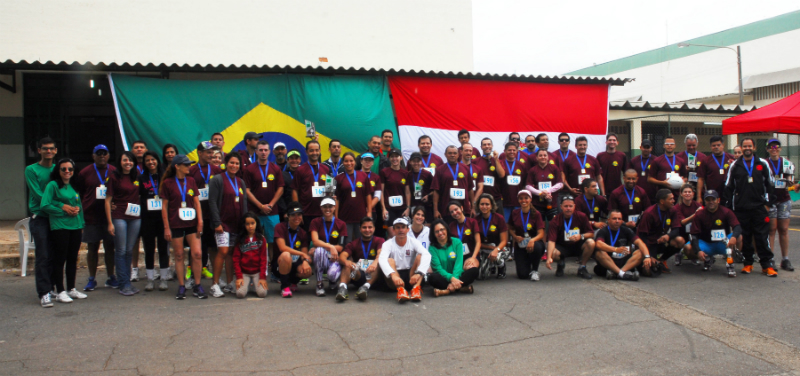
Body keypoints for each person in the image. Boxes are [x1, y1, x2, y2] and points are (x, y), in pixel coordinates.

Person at [724, 137, 778, 277]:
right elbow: (728, 187)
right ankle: (748, 264)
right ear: (741, 148)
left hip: (759, 207)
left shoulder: (762, 163)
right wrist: (730, 207)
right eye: (745, 146)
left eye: (750, 146)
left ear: (754, 147)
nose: (747, 148)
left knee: (761, 236)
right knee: (746, 237)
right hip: (741, 208)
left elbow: (770, 185)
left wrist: (768, 205)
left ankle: (766, 265)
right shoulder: (735, 165)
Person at [41, 158, 87, 303]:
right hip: (60, 226)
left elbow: (78, 204)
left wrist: (80, 220)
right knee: (60, 258)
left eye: (70, 169)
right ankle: (60, 290)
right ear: (58, 170)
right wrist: (63, 209)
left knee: (73, 258)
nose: (67, 171)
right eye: (63, 169)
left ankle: (71, 288)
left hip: (75, 225)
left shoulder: (74, 185)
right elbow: (45, 205)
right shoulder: (53, 185)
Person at [160, 154, 207, 299]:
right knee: (179, 255)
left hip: (192, 223)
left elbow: (197, 203)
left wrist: (200, 221)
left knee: (197, 254)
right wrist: (166, 227)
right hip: (176, 224)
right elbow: (164, 207)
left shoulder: (191, 180)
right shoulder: (168, 183)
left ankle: (197, 285)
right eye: (186, 165)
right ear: (177, 166)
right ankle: (181, 286)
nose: (189, 167)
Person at [75, 144, 117, 290]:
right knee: (92, 247)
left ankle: (111, 276)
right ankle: (92, 278)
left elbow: (118, 191)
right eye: (98, 154)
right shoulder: (85, 172)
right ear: (93, 156)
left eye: (104, 153)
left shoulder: (114, 171)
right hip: (91, 216)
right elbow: (79, 192)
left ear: (108, 155)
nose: (102, 156)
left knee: (110, 247)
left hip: (109, 217)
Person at [208, 153, 248, 297]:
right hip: (222, 224)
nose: (234, 166)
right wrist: (217, 222)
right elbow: (212, 202)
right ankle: (215, 284)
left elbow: (244, 204)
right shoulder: (217, 180)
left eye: (237, 163)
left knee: (231, 253)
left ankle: (230, 282)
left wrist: (244, 223)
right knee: (223, 251)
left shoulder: (240, 181)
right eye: (232, 163)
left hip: (236, 224)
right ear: (226, 163)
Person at [243, 140, 284, 280]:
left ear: (269, 152)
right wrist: (260, 206)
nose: (263, 152)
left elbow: (280, 188)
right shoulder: (249, 169)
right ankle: (255, 272)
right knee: (254, 243)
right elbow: (246, 190)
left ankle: (274, 271)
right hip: (255, 213)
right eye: (260, 150)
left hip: (272, 213)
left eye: (266, 150)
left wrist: (271, 205)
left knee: (273, 243)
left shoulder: (275, 168)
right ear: (257, 151)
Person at [25, 137, 57, 307]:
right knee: (43, 255)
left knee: (54, 255)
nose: (48, 151)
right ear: (39, 150)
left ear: (56, 150)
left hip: (57, 218)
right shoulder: (31, 169)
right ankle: (44, 292)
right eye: (45, 149)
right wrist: (59, 207)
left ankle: (52, 287)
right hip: (40, 218)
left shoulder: (58, 169)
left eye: (51, 148)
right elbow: (38, 195)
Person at [105, 151, 142, 296]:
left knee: (129, 250)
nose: (128, 163)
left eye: (130, 160)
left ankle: (127, 282)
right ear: (120, 162)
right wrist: (109, 222)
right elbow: (107, 200)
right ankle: (123, 284)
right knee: (120, 250)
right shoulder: (114, 177)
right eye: (125, 160)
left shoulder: (136, 176)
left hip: (135, 217)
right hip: (119, 216)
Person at [188, 141, 223, 281]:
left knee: (214, 247)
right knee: (196, 248)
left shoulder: (216, 170)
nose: (210, 155)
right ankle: (192, 276)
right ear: (200, 153)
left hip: (212, 215)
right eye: (208, 152)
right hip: (197, 215)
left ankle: (216, 276)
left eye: (212, 152)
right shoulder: (191, 171)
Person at [687, 190, 742, 277]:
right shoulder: (700, 214)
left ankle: (731, 261)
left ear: (718, 200)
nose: (711, 202)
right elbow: (693, 234)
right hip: (706, 243)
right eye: (708, 200)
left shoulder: (726, 211)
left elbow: (737, 226)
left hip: (723, 243)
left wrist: (734, 237)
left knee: (739, 237)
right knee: (688, 248)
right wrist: (698, 251)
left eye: (713, 199)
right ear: (705, 201)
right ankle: (707, 259)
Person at [377, 217, 431, 303]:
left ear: (408, 229)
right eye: (398, 227)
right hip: (395, 278)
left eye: (403, 227)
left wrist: (419, 273)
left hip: (411, 276)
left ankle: (416, 289)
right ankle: (401, 291)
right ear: (393, 230)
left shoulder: (414, 242)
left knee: (420, 256)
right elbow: (382, 260)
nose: (401, 230)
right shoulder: (387, 244)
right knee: (389, 260)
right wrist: (393, 275)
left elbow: (427, 255)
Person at [138, 151, 170, 291]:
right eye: (148, 160)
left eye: (153, 160)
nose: (151, 162)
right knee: (149, 249)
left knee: (163, 248)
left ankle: (163, 278)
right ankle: (150, 279)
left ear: (157, 161)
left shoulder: (165, 176)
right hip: (147, 218)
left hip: (163, 217)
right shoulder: (141, 177)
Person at [637, 189, 686, 275]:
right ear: (662, 201)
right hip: (649, 243)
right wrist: (649, 256)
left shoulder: (672, 210)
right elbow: (642, 236)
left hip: (661, 241)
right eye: (670, 199)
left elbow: (676, 230)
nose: (673, 201)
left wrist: (668, 236)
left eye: (673, 198)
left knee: (680, 241)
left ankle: (662, 260)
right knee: (649, 272)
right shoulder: (649, 213)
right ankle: (653, 260)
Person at [764, 138, 796, 272]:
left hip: (784, 199)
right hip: (770, 200)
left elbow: (791, 181)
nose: (774, 148)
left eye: (776, 146)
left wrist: (791, 184)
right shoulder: (764, 163)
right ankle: (770, 259)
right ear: (767, 149)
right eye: (771, 147)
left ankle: (785, 259)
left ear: (780, 149)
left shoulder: (788, 163)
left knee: (783, 229)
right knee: (771, 229)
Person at [546, 196, 595, 279]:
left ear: (574, 206)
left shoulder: (582, 216)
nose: (568, 208)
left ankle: (582, 267)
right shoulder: (555, 220)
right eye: (565, 206)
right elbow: (551, 241)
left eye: (570, 206)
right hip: (563, 246)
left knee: (591, 243)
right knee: (553, 253)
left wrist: (581, 236)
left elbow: (591, 234)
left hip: (578, 245)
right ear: (561, 207)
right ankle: (560, 263)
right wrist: (549, 258)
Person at [336, 217, 385, 301]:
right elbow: (342, 256)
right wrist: (346, 261)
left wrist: (375, 263)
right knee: (347, 264)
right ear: (360, 229)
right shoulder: (353, 243)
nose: (367, 230)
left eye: (370, 227)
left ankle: (365, 288)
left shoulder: (379, 240)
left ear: (374, 228)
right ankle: (342, 289)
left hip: (374, 275)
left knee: (379, 262)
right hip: (359, 275)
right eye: (364, 227)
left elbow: (380, 254)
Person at [593, 210, 649, 281]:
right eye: (614, 218)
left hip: (624, 261)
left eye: (619, 219)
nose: (617, 221)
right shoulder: (603, 231)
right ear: (608, 220)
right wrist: (615, 249)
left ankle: (619, 273)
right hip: (609, 261)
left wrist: (647, 256)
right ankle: (622, 274)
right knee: (599, 253)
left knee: (641, 252)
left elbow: (640, 243)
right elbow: (598, 244)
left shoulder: (626, 230)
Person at [428, 219, 478, 297]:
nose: (440, 233)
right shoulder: (432, 248)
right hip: (443, 277)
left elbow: (459, 263)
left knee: (474, 270)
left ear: (446, 229)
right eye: (437, 231)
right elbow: (438, 268)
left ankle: (447, 290)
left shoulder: (457, 242)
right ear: (433, 234)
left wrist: (454, 278)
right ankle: (460, 288)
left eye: (442, 229)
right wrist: (451, 279)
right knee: (432, 278)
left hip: (458, 275)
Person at [310, 198, 348, 296]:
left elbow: (340, 247)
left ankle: (333, 281)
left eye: (330, 206)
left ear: (334, 208)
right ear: (321, 208)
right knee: (318, 251)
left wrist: (330, 248)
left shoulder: (341, 224)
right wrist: (331, 247)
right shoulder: (315, 222)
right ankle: (319, 284)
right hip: (322, 254)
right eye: (325, 207)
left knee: (332, 275)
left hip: (335, 257)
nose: (328, 209)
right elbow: (315, 241)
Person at [335, 152, 375, 243]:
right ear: (343, 163)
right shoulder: (338, 178)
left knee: (360, 241)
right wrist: (336, 217)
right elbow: (337, 199)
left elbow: (368, 195)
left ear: (355, 162)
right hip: (345, 217)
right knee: (347, 242)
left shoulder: (363, 176)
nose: (349, 163)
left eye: (351, 161)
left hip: (361, 216)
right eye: (346, 161)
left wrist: (369, 212)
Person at [274, 203, 313, 297]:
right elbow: (282, 248)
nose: (296, 217)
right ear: (287, 216)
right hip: (280, 263)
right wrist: (301, 254)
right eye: (293, 215)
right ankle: (285, 287)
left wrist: (305, 262)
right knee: (286, 254)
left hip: (295, 262)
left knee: (308, 270)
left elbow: (305, 253)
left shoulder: (303, 233)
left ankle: (293, 282)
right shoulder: (279, 227)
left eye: (299, 215)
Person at [292, 140, 331, 231]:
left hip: (323, 211)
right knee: (307, 239)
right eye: (311, 150)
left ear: (320, 151)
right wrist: (298, 211)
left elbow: (329, 189)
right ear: (306, 152)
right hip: (306, 212)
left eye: (317, 150)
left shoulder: (326, 169)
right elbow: (294, 190)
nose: (314, 153)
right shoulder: (300, 170)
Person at [509, 190, 546, 281]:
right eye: (521, 198)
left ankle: (535, 270)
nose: (524, 200)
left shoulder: (536, 214)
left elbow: (541, 233)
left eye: (526, 198)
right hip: (520, 245)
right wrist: (515, 236)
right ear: (518, 200)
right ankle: (527, 262)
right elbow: (509, 228)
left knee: (536, 246)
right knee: (522, 275)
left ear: (530, 199)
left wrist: (532, 240)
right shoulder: (514, 213)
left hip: (535, 243)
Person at [432, 145, 474, 223]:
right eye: (450, 153)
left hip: (464, 208)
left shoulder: (466, 168)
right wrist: (436, 210)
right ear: (445, 154)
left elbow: (470, 189)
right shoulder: (439, 170)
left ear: (458, 154)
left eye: (455, 153)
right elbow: (436, 191)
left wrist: (473, 207)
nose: (452, 155)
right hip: (446, 210)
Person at [230, 213, 268, 298]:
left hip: (257, 272)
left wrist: (262, 277)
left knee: (262, 293)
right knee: (240, 294)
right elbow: (236, 259)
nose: (250, 226)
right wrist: (239, 277)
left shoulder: (261, 239)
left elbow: (263, 259)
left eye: (252, 223)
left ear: (256, 224)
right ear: (244, 225)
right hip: (244, 272)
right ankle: (247, 285)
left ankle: (255, 284)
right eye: (247, 224)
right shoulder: (240, 240)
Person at [475, 194, 510, 278]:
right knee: (481, 276)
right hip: (483, 247)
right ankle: (491, 265)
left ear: (492, 205)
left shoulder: (499, 218)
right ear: (478, 206)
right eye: (482, 204)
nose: (484, 206)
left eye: (487, 204)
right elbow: (476, 242)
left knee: (497, 257)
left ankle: (501, 266)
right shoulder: (475, 220)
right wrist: (490, 248)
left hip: (499, 248)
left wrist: (496, 249)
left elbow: (504, 241)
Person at [525, 148, 562, 223]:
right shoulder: (532, 170)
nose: (543, 157)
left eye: (545, 155)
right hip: (537, 203)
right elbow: (528, 186)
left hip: (552, 202)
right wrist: (540, 193)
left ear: (548, 157)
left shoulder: (554, 168)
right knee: (540, 225)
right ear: (537, 158)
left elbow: (560, 184)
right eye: (540, 155)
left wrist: (548, 191)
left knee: (553, 224)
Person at [381, 148, 411, 237]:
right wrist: (383, 208)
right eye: (392, 157)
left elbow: (408, 192)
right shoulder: (384, 172)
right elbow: (381, 191)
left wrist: (408, 208)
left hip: (402, 209)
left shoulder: (405, 173)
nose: (394, 159)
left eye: (396, 156)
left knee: (403, 233)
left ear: (401, 158)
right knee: (392, 234)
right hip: (389, 208)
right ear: (389, 158)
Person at [472, 137, 505, 214]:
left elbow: (502, 175)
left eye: (489, 144)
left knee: (499, 224)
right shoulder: (475, 161)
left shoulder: (498, 161)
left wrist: (496, 159)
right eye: (484, 145)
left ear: (492, 146)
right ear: (481, 147)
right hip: (480, 200)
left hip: (496, 198)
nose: (487, 146)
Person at [701, 136, 735, 204]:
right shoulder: (706, 160)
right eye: (714, 145)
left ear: (723, 145)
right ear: (710, 146)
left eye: (718, 145)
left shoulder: (732, 158)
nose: (716, 147)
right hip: (712, 195)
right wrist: (699, 196)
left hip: (729, 193)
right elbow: (700, 178)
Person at [448, 201, 481, 268]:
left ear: (462, 208)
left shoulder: (472, 222)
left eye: (456, 209)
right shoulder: (451, 225)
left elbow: (478, 242)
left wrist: (473, 257)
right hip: (457, 256)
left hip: (471, 255)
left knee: (469, 267)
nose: (454, 213)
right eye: (452, 212)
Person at [499, 142, 527, 220]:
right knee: (505, 224)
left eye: (514, 150)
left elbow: (524, 183)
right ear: (504, 151)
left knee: (518, 224)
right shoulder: (500, 163)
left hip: (518, 201)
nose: (512, 152)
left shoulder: (522, 165)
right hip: (504, 201)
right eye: (509, 150)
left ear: (517, 151)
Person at [359, 152, 384, 238]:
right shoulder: (355, 175)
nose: (368, 162)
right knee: (357, 233)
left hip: (371, 211)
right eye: (365, 160)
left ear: (373, 163)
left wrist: (368, 208)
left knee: (369, 233)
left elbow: (377, 196)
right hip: (357, 210)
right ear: (361, 161)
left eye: (370, 160)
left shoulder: (376, 177)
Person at [674, 184, 700, 266]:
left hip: (694, 232)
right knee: (679, 240)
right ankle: (678, 253)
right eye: (685, 192)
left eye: (689, 192)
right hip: (681, 232)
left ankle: (693, 257)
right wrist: (695, 215)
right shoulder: (677, 207)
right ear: (681, 194)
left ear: (693, 194)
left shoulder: (697, 205)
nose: (687, 193)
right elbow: (682, 222)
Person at [407, 152, 435, 223]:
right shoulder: (408, 175)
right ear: (410, 162)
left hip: (426, 205)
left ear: (421, 162)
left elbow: (435, 189)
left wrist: (428, 195)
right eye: (414, 161)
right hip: (413, 205)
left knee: (427, 227)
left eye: (418, 161)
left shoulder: (427, 174)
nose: (416, 163)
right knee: (414, 226)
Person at [461, 143, 485, 215]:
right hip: (460, 203)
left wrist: (473, 202)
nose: (468, 153)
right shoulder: (456, 168)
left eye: (470, 151)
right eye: (466, 150)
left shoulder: (478, 169)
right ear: (461, 152)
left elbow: (480, 187)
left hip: (474, 204)